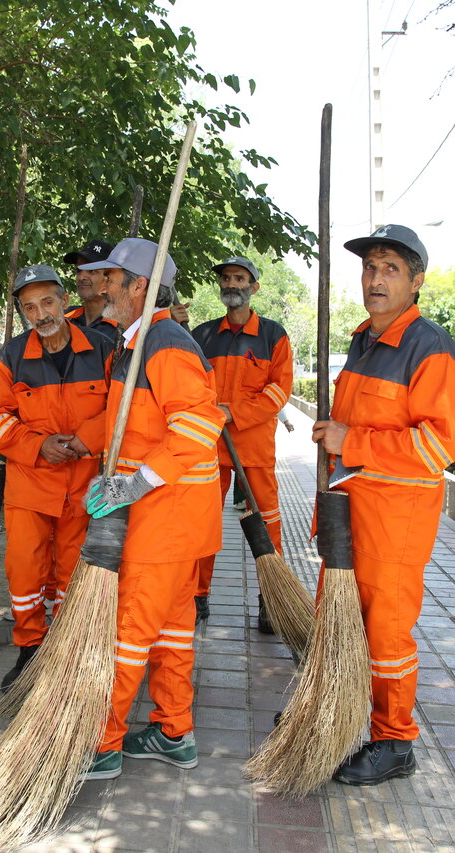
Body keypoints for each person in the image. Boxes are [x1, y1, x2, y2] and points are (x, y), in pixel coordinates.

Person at [312, 225, 455, 784]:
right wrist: (334, 437)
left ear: (416, 281)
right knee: (342, 621)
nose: (376, 279)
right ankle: (334, 718)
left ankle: (394, 739)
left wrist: (347, 440)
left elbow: (439, 446)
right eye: (370, 268)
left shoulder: (431, 349)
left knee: (386, 632)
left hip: (395, 520)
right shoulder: (365, 339)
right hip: (353, 510)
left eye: (391, 270)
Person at [75, 238, 225, 780]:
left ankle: (101, 744)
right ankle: (173, 731)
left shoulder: (163, 343)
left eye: (112, 278)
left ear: (139, 286)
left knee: (129, 631)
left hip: (163, 520)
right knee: (171, 631)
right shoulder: (133, 343)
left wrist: (135, 483)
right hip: (178, 520)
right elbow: (131, 425)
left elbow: (198, 427)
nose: (102, 286)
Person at [0, 264, 113, 690]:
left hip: (84, 486)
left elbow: (123, 408)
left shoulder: (104, 349)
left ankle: (68, 651)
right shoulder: (11, 358)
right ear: (23, 313)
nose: (41, 314)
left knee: (72, 573)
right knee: (25, 571)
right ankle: (30, 650)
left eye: (48, 302)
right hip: (30, 485)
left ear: (64, 301)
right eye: (30, 307)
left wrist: (84, 440)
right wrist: (37, 445)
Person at [191, 256, 292, 629]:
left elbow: (280, 391)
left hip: (253, 447)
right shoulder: (202, 335)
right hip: (208, 446)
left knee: (267, 522)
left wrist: (235, 412)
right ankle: (196, 597)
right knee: (201, 522)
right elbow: (189, 384)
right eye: (227, 278)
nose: (231, 284)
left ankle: (273, 600)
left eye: (239, 278)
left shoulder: (273, 335)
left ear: (254, 287)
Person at [61, 239, 118, 333]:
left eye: (91, 271)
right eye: (79, 270)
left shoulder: (122, 328)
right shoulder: (63, 319)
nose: (81, 277)